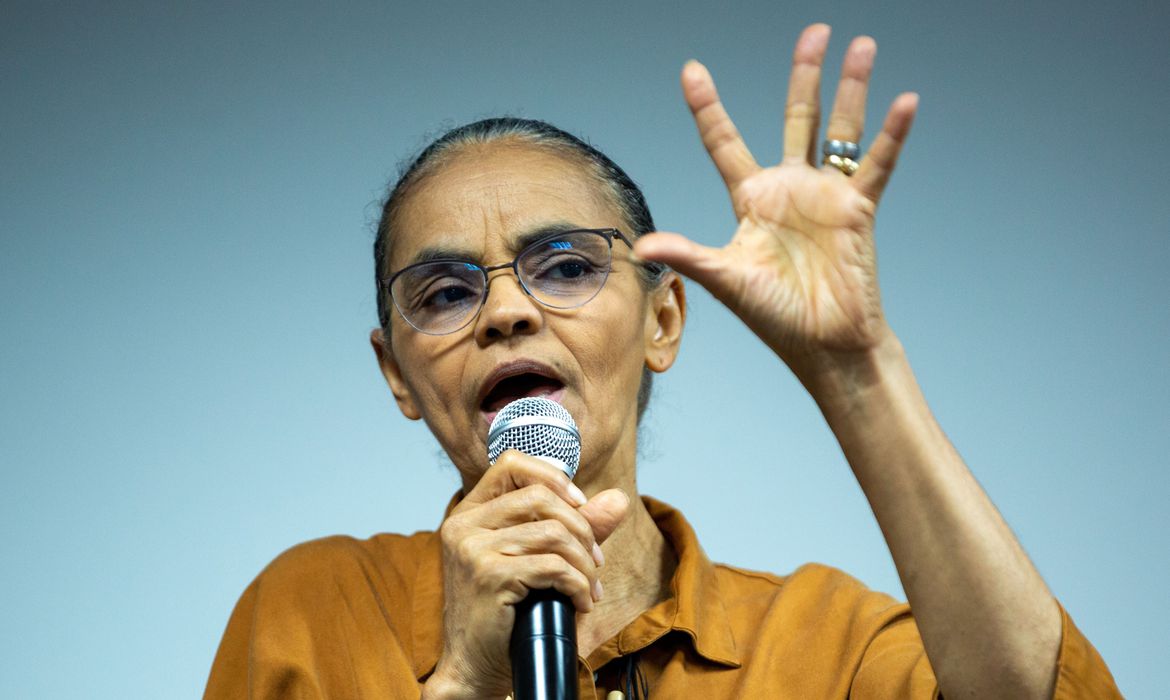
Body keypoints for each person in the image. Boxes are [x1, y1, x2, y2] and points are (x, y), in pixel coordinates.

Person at [204, 23, 1120, 699]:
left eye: (566, 267)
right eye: (445, 293)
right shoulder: (309, 614)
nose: (508, 312)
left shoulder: (827, 642)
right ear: (397, 374)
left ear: (664, 320)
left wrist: (856, 369)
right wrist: (467, 684)